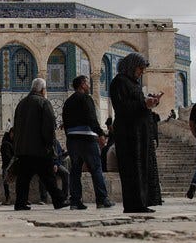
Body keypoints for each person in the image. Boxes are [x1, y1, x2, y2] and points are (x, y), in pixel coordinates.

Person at [109, 53, 161, 213]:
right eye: (140, 68)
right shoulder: (119, 82)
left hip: (139, 132)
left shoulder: (134, 84)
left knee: (141, 167)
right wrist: (143, 104)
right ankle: (133, 204)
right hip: (128, 133)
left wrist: (150, 102)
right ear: (131, 66)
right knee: (131, 169)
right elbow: (122, 107)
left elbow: (137, 105)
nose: (142, 72)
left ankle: (142, 202)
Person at [11, 78, 67, 210]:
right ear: (42, 90)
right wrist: (50, 146)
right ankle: (58, 200)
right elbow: (48, 127)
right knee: (48, 177)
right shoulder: (43, 102)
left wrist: (17, 147)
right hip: (40, 148)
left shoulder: (21, 104)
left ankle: (20, 203)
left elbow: (16, 128)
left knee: (23, 179)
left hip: (23, 149)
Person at [62, 75, 112, 209]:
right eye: (87, 83)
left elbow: (65, 122)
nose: (89, 86)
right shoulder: (86, 98)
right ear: (82, 84)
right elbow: (91, 118)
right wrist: (100, 134)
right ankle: (102, 199)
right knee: (95, 168)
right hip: (86, 138)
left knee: (76, 170)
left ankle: (75, 201)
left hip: (72, 139)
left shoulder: (68, 101)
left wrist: (69, 136)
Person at [0, 128, 15, 204]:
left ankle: (23, 197)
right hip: (7, 165)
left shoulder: (14, 142)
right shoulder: (5, 143)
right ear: (11, 133)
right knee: (6, 181)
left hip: (13, 164)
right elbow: (6, 156)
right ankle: (7, 197)